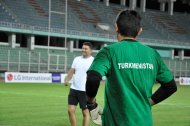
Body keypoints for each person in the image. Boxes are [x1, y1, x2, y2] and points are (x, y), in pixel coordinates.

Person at [85, 10, 177, 126]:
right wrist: (148, 102)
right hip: (144, 122)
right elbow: (171, 86)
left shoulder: (109, 51)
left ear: (117, 27)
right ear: (139, 31)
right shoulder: (152, 54)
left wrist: (91, 103)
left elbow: (93, 78)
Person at [65, 42, 94, 126]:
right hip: (74, 89)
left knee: (85, 113)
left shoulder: (93, 61)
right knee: (70, 110)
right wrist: (67, 79)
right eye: (83, 48)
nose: (83, 50)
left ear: (91, 51)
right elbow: (72, 71)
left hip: (85, 91)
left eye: (86, 48)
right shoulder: (77, 59)